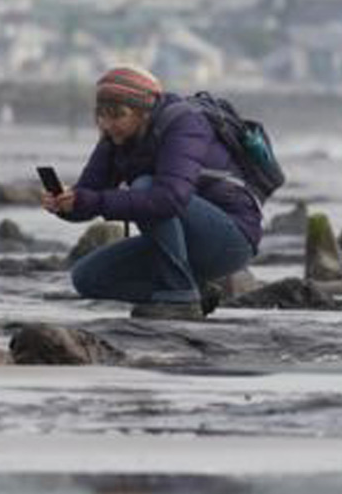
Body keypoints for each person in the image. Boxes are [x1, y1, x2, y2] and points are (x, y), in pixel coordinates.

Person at [42, 65, 261, 320]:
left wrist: (93, 200)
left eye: (117, 115)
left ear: (143, 112)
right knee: (87, 279)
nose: (107, 124)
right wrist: (66, 204)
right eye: (101, 115)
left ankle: (180, 297)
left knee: (146, 187)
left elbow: (169, 199)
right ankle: (194, 291)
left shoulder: (186, 124)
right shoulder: (115, 139)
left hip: (230, 240)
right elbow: (90, 194)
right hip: (179, 244)